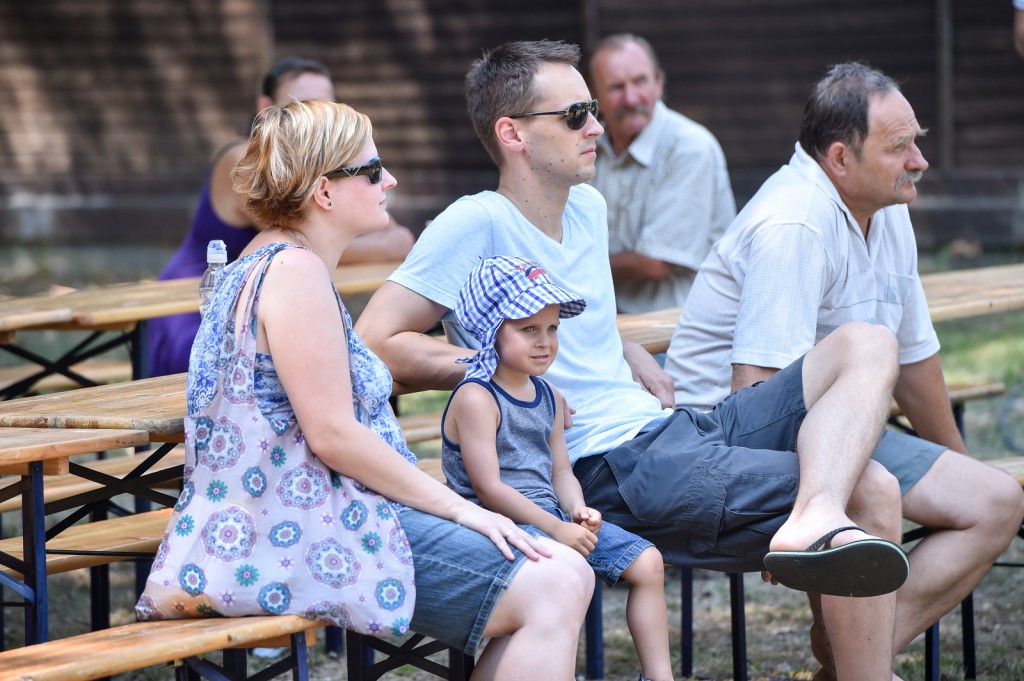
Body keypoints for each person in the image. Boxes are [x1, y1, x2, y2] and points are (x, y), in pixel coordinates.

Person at [358, 39, 912, 679]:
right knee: (871, 491)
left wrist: (625, 348)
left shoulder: (587, 208)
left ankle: (814, 520)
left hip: (671, 430)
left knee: (868, 341)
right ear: (512, 134)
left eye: (591, 110)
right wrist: (502, 375)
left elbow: (579, 314)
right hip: (603, 465)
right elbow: (375, 341)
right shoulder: (476, 222)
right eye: (575, 115)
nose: (596, 127)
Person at [156, 99, 595, 678]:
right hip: (311, 529)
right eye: (370, 170)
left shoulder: (259, 259)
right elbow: (333, 435)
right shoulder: (295, 273)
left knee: (563, 572)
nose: (389, 180)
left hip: (292, 517)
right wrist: (462, 511)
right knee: (556, 581)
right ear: (324, 191)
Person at [664, 62, 1024, 673]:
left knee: (994, 501)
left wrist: (958, 462)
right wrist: (788, 507)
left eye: (917, 141)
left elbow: (915, 358)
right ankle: (863, 666)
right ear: (838, 159)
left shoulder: (888, 207)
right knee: (873, 493)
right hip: (723, 443)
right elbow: (756, 398)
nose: (919, 161)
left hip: (829, 424)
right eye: (899, 147)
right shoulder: (794, 223)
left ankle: (845, 653)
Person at [442, 255, 674, 681]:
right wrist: (556, 529)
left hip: (548, 520)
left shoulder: (547, 395)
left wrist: (577, 511)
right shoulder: (477, 397)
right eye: (528, 329)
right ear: (491, 330)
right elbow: (489, 488)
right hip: (496, 526)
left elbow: (561, 473)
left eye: (552, 329)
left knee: (648, 562)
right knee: (559, 583)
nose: (544, 342)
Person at [147, 56, 414, 378]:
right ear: (266, 109)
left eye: (326, 104)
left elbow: (394, 236)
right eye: (302, 104)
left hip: (254, 303)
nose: (316, 114)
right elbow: (312, 236)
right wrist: (380, 243)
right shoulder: (250, 162)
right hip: (194, 304)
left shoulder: (330, 179)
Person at [585, 34, 735, 313]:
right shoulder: (586, 146)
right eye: (616, 87)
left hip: (673, 326)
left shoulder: (689, 147)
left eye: (640, 81)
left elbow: (654, 263)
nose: (631, 98)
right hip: (604, 319)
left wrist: (567, 268)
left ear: (659, 84)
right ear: (594, 97)